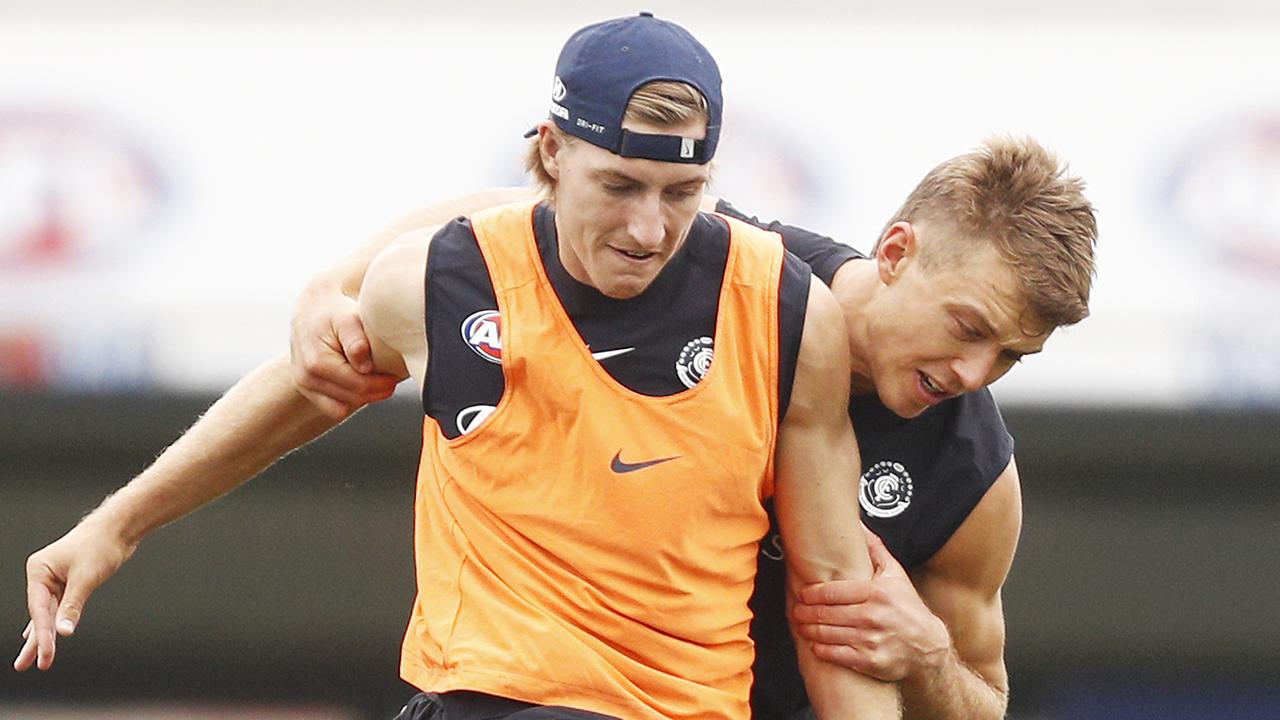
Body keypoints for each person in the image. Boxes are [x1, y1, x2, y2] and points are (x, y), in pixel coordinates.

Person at [15, 13, 900, 720]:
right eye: (620, 187)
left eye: (682, 194)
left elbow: (833, 600)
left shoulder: (787, 314)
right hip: (476, 695)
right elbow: (305, 388)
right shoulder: (447, 278)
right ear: (552, 153)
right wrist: (118, 524)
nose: (647, 231)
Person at [289, 137, 1098, 720]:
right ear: (895, 251)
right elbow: (512, 222)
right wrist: (336, 281)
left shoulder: (974, 475)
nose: (973, 373)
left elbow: (982, 705)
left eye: (1009, 358)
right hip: (550, 686)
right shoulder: (734, 268)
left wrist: (925, 657)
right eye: (967, 328)